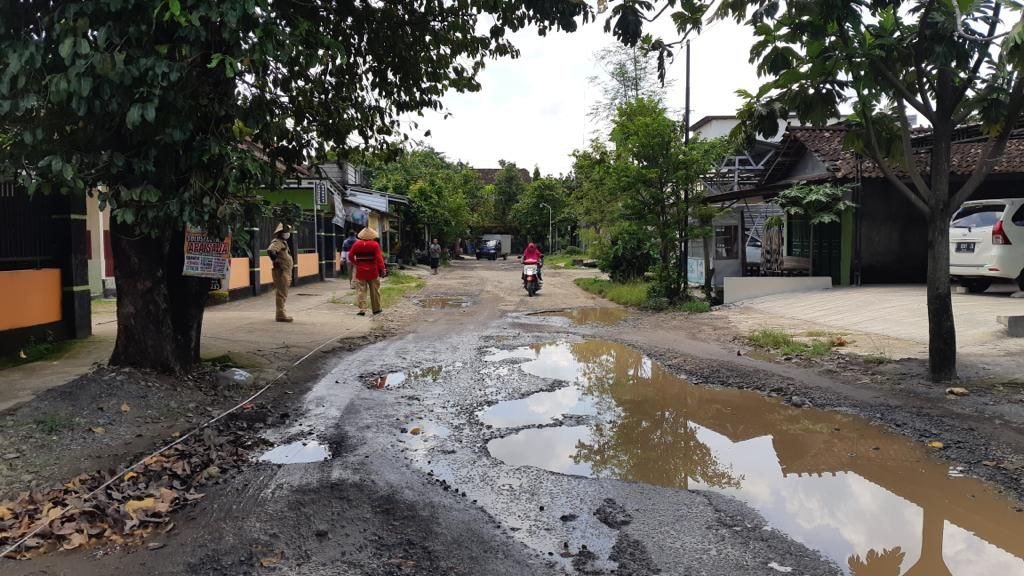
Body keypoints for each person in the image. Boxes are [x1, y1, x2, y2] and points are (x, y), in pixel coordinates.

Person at [349, 227, 387, 316]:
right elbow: (379, 258)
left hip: (360, 271)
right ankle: (376, 309)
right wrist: (383, 269)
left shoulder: (356, 244)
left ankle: (362, 309)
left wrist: (356, 263)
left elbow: (350, 256)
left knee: (361, 291)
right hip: (373, 272)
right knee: (374, 291)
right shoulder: (375, 245)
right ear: (372, 236)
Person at [267, 223, 294, 322]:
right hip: (281, 271)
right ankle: (280, 315)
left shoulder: (283, 242)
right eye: (286, 232)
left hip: (285, 271)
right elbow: (271, 251)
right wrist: (276, 261)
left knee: (283, 292)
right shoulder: (277, 241)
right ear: (281, 233)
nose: (288, 234)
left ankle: (281, 313)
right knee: (281, 293)